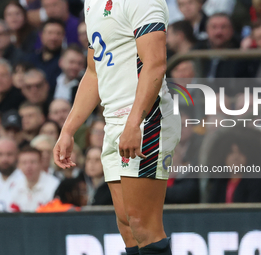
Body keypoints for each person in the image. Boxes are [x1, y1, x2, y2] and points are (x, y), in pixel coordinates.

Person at [53, 1, 181, 254]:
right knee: (127, 225)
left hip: (146, 118)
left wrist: (134, 122)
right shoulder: (92, 3)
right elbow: (93, 72)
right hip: (113, 120)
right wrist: (67, 130)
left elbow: (155, 63)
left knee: (143, 224)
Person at [9, 146, 59, 212]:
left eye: (32, 162)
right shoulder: (13, 185)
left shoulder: (54, 186)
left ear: (41, 163)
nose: (28, 167)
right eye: (24, 163)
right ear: (18, 165)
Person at [27, 18, 64, 91]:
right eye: (50, 33)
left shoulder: (67, 62)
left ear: (63, 36)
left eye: (58, 33)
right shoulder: (30, 60)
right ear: (41, 35)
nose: (53, 38)